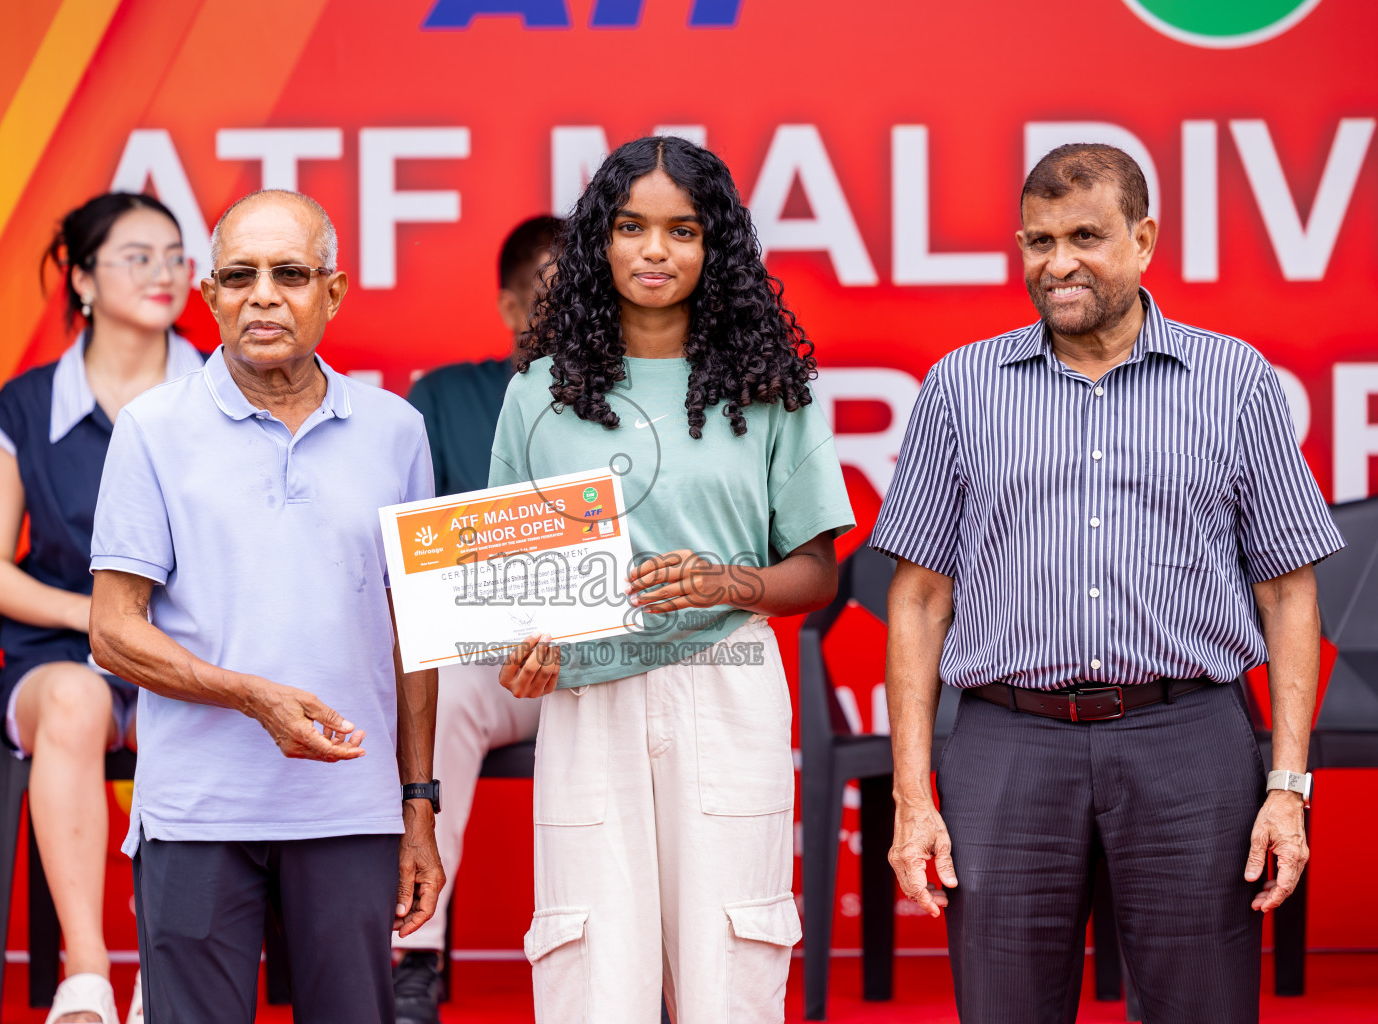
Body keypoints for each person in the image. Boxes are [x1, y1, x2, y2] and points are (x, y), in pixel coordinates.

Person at [873, 144, 1344, 1024]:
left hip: (1189, 739)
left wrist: (1287, 786)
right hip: (1009, 747)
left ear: (1144, 237)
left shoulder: (1233, 381)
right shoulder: (961, 388)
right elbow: (919, 597)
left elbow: (1288, 591)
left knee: (1202, 1008)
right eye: (1038, 240)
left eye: (1085, 235)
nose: (1058, 264)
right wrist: (911, 800)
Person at [490, 136, 855, 1024]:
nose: (656, 250)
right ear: (598, 243)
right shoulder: (536, 392)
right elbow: (502, 582)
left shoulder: (772, 387)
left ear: (714, 245)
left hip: (726, 685)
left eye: (682, 230)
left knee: (731, 966)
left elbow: (815, 570)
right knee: (591, 974)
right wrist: (519, 654)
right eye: (631, 227)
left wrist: (731, 584)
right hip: (588, 697)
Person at [86, 189, 443, 1024]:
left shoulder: (397, 431)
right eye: (240, 276)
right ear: (209, 297)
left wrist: (418, 805)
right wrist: (252, 696)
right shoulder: (150, 429)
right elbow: (113, 632)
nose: (264, 295)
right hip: (198, 808)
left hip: (350, 809)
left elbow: (415, 636)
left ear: (334, 292)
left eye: (290, 273)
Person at [0, 192, 202, 1024]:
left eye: (174, 254)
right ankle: (89, 973)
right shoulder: (27, 407)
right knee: (72, 698)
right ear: (82, 278)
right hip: (65, 654)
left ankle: (171, 976)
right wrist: (98, 622)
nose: (164, 273)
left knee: (202, 710)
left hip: (194, 652)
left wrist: (154, 642)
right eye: (136, 256)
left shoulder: (222, 391)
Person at [390, 214, 563, 1023]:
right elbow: (413, 559)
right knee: (444, 697)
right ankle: (414, 956)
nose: (566, 314)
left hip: (602, 663)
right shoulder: (446, 397)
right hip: (489, 658)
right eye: (546, 295)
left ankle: (657, 970)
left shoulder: (644, 396)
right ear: (507, 307)